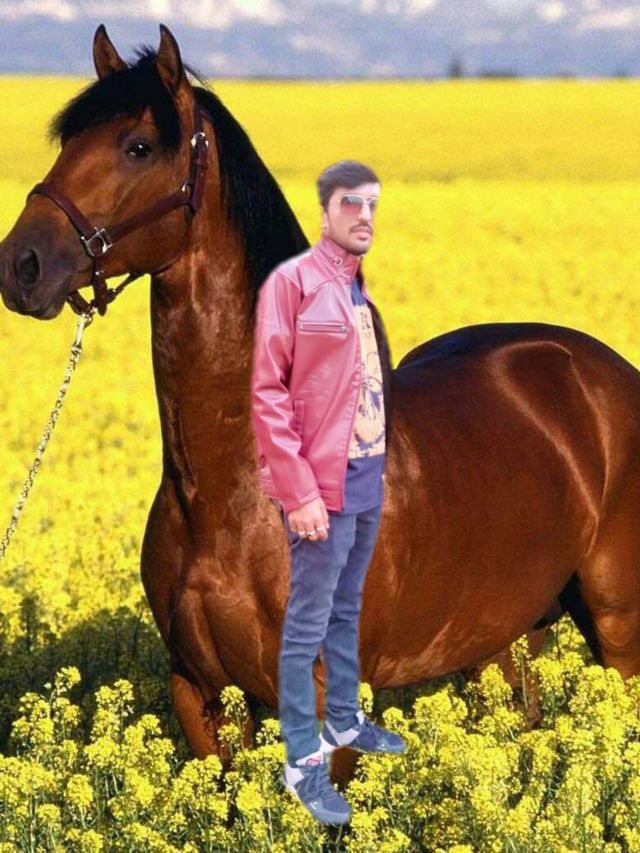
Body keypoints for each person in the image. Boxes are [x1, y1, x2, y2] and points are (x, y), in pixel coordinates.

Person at [251, 160, 406, 826]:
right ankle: (304, 766)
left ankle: (345, 719)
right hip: (324, 487)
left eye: (371, 205)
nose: (363, 217)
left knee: (347, 609)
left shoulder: (355, 288)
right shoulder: (292, 286)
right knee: (305, 632)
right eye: (350, 204)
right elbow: (268, 393)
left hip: (367, 475)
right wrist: (300, 492)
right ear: (324, 212)